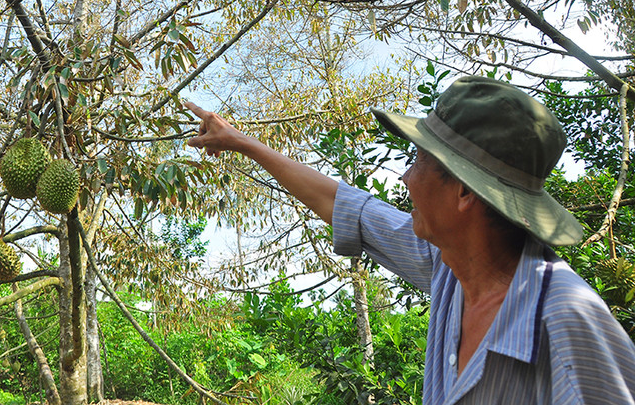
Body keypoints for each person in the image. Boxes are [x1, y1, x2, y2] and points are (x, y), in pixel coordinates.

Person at [185, 75, 635, 404]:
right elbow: (348, 205)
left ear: (463, 192)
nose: (404, 177)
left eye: (417, 161)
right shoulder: (450, 269)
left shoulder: (566, 322)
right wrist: (241, 142)